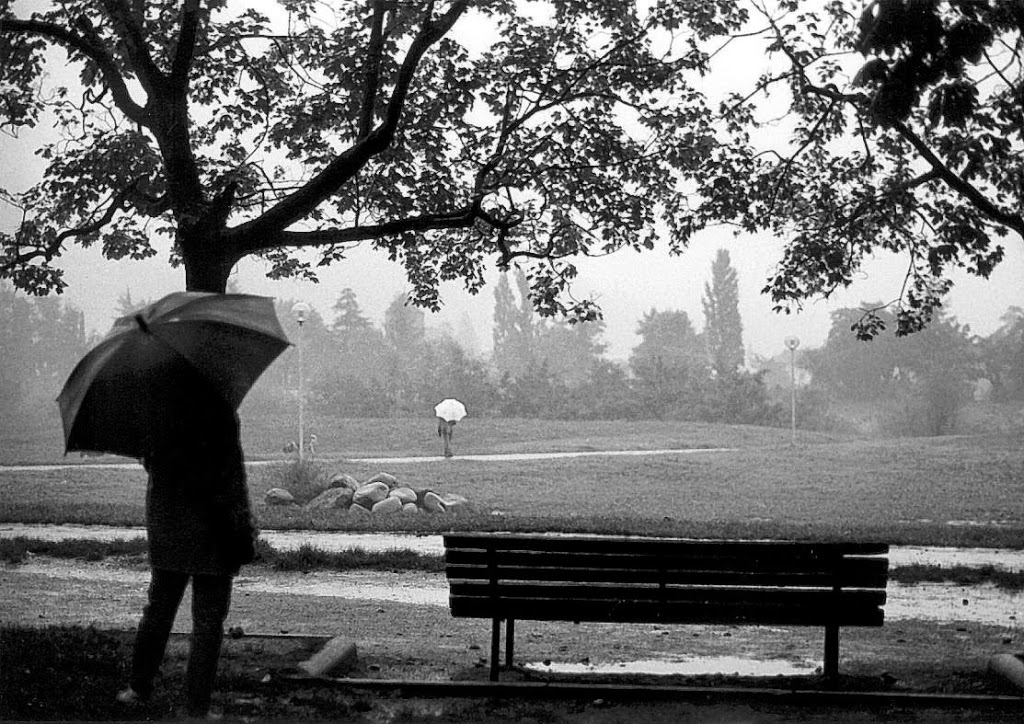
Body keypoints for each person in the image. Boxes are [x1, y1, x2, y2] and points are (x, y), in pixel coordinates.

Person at [117, 388, 257, 719]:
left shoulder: (156, 408)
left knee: (159, 609)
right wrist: (243, 527)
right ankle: (196, 708)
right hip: (214, 530)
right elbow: (231, 477)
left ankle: (138, 689)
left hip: (169, 529)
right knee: (208, 620)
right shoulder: (221, 411)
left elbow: (152, 464)